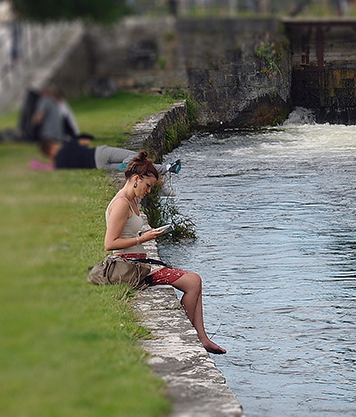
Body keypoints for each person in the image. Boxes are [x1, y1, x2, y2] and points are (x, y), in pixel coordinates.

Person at [104, 152, 225, 354]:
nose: (149, 191)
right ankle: (192, 335)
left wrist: (145, 234)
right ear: (136, 179)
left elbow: (128, 232)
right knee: (193, 281)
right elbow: (110, 243)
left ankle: (201, 337)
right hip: (129, 266)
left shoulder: (131, 200)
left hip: (138, 262)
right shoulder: (121, 203)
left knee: (195, 281)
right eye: (148, 186)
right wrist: (142, 239)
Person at [39, 137, 180, 173]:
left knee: (137, 166)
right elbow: (85, 142)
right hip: (100, 154)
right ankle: (128, 163)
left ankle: (167, 168)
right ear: (52, 146)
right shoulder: (67, 146)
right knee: (136, 156)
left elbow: (52, 166)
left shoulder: (60, 163)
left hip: (98, 166)